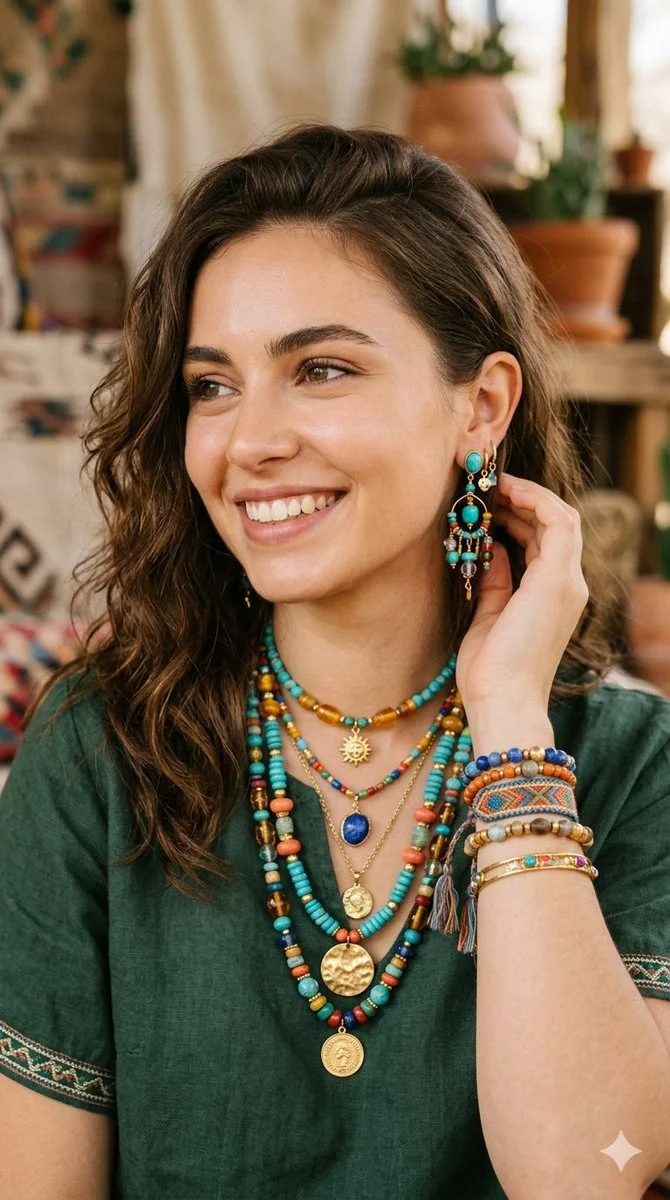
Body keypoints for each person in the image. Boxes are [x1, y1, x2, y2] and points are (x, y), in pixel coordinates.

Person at [0, 123, 669, 1200]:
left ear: (480, 407)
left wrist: (507, 726)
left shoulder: (634, 764)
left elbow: (591, 1181)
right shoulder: (101, 752)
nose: (248, 440)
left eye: (319, 369)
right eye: (212, 386)